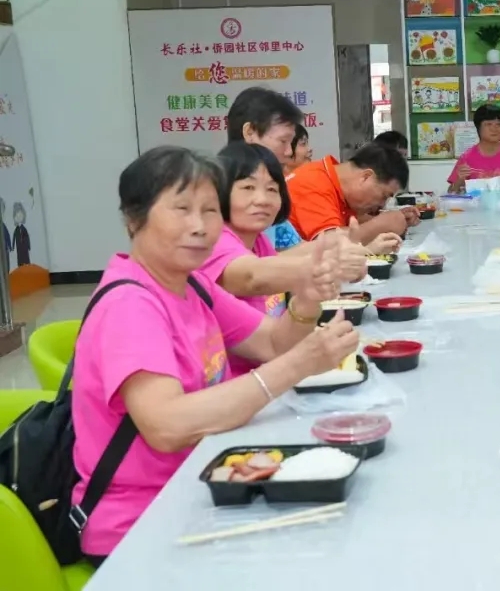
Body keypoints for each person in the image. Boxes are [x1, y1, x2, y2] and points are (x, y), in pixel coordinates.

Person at [71, 146, 360, 563]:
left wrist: (307, 301)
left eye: (209, 211)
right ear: (134, 219)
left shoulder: (192, 284)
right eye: (182, 209)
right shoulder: (130, 305)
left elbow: (272, 343)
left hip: (205, 483)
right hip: (142, 526)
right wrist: (298, 364)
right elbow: (167, 425)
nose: (199, 226)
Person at [201, 143, 388, 375]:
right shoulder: (216, 241)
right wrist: (325, 266)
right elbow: (252, 276)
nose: (262, 199)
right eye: (248, 187)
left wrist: (339, 249)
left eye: (272, 189)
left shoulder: (258, 240)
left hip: (273, 374)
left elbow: (276, 341)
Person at [225, 88, 306, 252]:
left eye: (271, 189)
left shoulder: (266, 230)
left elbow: (292, 249)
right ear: (250, 132)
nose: (289, 152)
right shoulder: (214, 187)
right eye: (283, 141)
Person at [287, 143, 413, 243]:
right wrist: (380, 225)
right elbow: (330, 243)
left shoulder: (335, 183)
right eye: (383, 196)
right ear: (366, 177)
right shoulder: (312, 182)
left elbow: (349, 224)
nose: (382, 204)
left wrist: (392, 220)